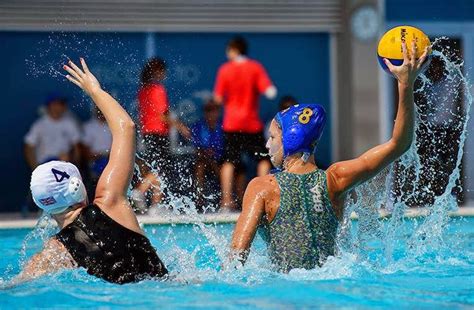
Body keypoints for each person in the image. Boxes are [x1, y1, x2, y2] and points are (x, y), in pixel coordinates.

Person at [229, 43, 431, 272]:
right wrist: (405, 84)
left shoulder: (262, 187)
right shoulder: (335, 179)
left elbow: (237, 254)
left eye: (273, 137)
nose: (267, 143)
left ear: (290, 140)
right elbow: (399, 144)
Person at [16, 58, 168, 284]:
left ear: (42, 204)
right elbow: (126, 128)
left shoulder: (53, 252)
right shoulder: (110, 202)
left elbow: (15, 285)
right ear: (78, 187)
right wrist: (94, 90)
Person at [213, 36, 277, 211]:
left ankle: (226, 202)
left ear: (234, 50)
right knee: (263, 159)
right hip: (251, 123)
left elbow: (218, 99)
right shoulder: (255, 68)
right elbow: (270, 91)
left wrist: (230, 102)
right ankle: (263, 197)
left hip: (232, 123)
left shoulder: (225, 70)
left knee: (228, 161)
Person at [24, 94, 81, 170]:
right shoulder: (40, 124)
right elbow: (28, 146)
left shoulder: (70, 123)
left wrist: (75, 165)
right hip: (45, 165)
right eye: (59, 104)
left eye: (62, 104)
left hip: (64, 165)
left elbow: (77, 146)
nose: (62, 106)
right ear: (51, 106)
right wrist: (34, 168)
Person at [190, 100, 225, 210]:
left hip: (220, 160)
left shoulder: (223, 126)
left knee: (230, 168)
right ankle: (199, 199)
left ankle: (227, 200)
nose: (211, 114)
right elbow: (197, 148)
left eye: (214, 111)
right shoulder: (198, 126)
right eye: (208, 111)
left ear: (218, 112)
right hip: (204, 160)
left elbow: (226, 147)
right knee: (200, 166)